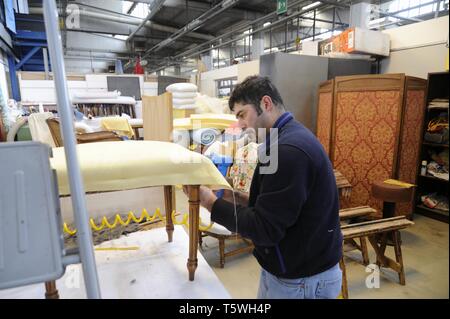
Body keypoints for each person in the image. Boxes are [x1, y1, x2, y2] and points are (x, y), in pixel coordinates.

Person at [190, 76, 343, 299]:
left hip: (302, 280)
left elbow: (264, 229)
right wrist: (235, 197)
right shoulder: (285, 138)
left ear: (266, 103)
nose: (240, 124)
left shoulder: (288, 150)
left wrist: (210, 203)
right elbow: (278, 205)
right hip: (291, 270)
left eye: (242, 114)